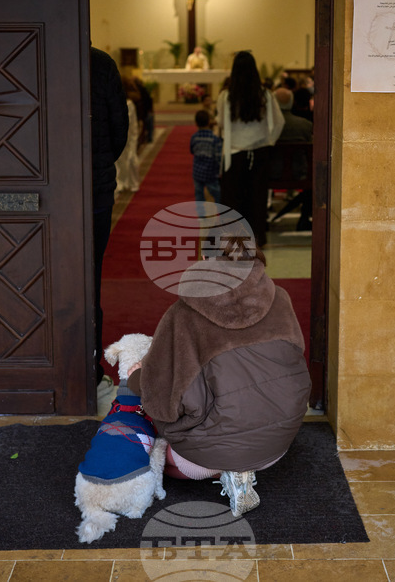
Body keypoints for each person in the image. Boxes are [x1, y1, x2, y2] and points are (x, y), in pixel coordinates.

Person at [127, 239, 310, 517]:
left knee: (163, 458)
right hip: (276, 445)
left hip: (207, 456)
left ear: (204, 261)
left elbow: (166, 401)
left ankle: (226, 470)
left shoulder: (183, 314)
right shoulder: (281, 298)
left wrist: (137, 377)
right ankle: (241, 470)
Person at [89, 46, 129, 396]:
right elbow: (120, 127)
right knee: (90, 277)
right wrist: (101, 161)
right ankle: (89, 369)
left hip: (47, 186)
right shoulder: (100, 63)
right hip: (96, 188)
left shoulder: (36, 51)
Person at [217, 51, 284, 246]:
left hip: (234, 153)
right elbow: (279, 122)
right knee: (257, 197)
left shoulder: (225, 96)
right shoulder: (266, 95)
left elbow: (221, 123)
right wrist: (269, 141)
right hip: (259, 152)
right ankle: (257, 238)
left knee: (233, 199)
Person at [270, 88, 313, 231]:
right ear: (292, 103)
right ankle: (304, 218)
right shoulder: (305, 125)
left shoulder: (268, 126)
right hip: (301, 173)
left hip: (271, 173)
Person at [115, 76, 141, 193]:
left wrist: (134, 137)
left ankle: (133, 182)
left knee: (131, 158)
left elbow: (132, 123)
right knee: (120, 160)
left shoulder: (129, 103)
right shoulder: (115, 102)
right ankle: (121, 182)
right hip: (118, 135)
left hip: (129, 135)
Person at [190, 109, 222, 204]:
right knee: (216, 193)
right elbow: (218, 156)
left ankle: (200, 212)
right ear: (209, 122)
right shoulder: (214, 139)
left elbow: (192, 150)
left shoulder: (194, 137)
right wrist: (219, 170)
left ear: (196, 123)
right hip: (210, 172)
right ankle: (221, 209)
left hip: (197, 172)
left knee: (199, 194)